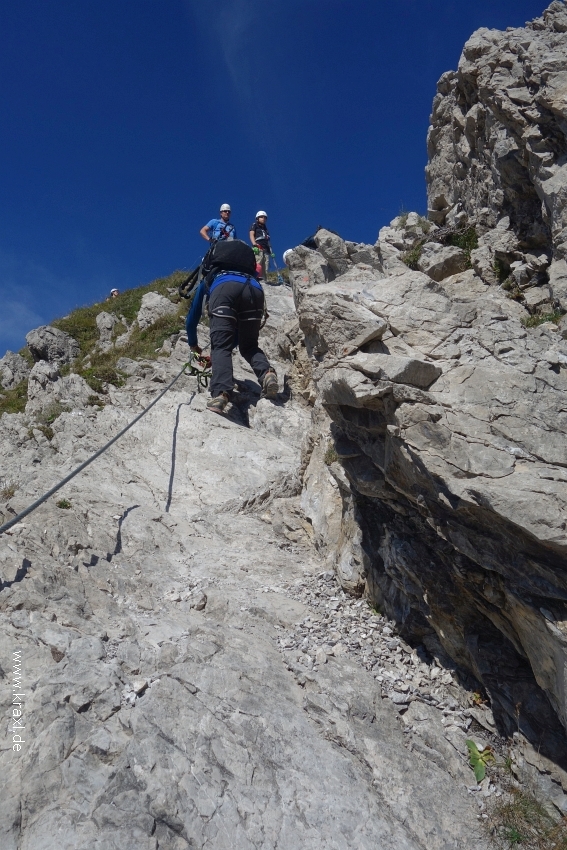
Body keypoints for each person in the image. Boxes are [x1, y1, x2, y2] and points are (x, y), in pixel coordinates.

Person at [186, 239, 278, 414]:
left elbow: (192, 317)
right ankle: (267, 374)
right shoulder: (247, 273)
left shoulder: (212, 277)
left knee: (220, 346)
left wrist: (193, 345)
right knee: (250, 346)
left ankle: (221, 393)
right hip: (255, 290)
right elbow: (238, 336)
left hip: (224, 289)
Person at [249, 211, 272, 281]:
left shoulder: (265, 229)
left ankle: (265, 280)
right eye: (261, 217)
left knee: (266, 267)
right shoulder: (254, 225)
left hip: (266, 249)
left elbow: (268, 240)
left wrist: (270, 250)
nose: (263, 218)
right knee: (258, 263)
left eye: (265, 217)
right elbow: (251, 234)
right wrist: (254, 244)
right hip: (258, 247)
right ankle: (256, 278)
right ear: (257, 218)